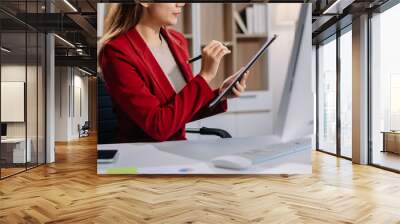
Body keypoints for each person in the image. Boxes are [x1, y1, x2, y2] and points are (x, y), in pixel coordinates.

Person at [98, 2, 249, 142]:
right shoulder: (117, 52)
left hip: (177, 150)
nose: (181, 3)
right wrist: (205, 76)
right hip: (142, 156)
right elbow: (159, 126)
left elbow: (180, 112)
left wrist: (221, 95)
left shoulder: (178, 41)